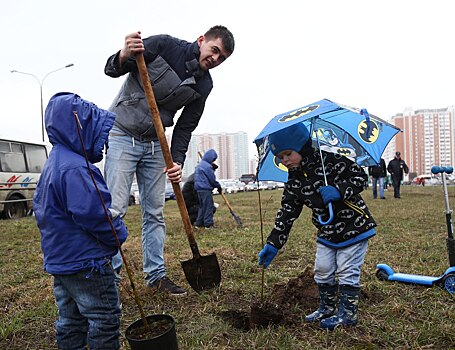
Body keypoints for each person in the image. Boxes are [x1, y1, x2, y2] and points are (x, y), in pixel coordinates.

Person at [104, 26, 234, 296]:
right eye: (214, 50)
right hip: (122, 133)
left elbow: (186, 126)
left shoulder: (204, 84)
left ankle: (156, 276)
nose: (215, 59)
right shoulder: (165, 46)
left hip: (155, 143)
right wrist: (124, 53)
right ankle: (109, 279)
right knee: (115, 209)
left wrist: (175, 161)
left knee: (154, 212)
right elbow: (113, 69)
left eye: (221, 58)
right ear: (202, 41)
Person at [257, 123, 376, 331]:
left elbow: (360, 178)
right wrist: (273, 243)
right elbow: (287, 212)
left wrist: (339, 190)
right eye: (280, 158)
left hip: (354, 226)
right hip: (327, 231)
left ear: (301, 147)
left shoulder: (331, 161)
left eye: (288, 154)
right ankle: (327, 307)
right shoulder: (294, 180)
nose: (285, 160)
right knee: (322, 270)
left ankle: (348, 314)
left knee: (347, 270)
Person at [33, 93, 128, 350]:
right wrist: (118, 233)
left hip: (62, 263)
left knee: (71, 319)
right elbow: (95, 215)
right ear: (80, 128)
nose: (103, 139)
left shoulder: (53, 164)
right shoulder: (76, 168)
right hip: (87, 263)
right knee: (103, 317)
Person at [194, 149, 222, 229]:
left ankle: (198, 224)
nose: (213, 161)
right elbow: (212, 179)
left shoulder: (200, 165)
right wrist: (218, 186)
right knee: (209, 206)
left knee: (202, 206)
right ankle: (208, 224)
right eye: (213, 159)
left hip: (199, 189)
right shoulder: (207, 166)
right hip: (205, 189)